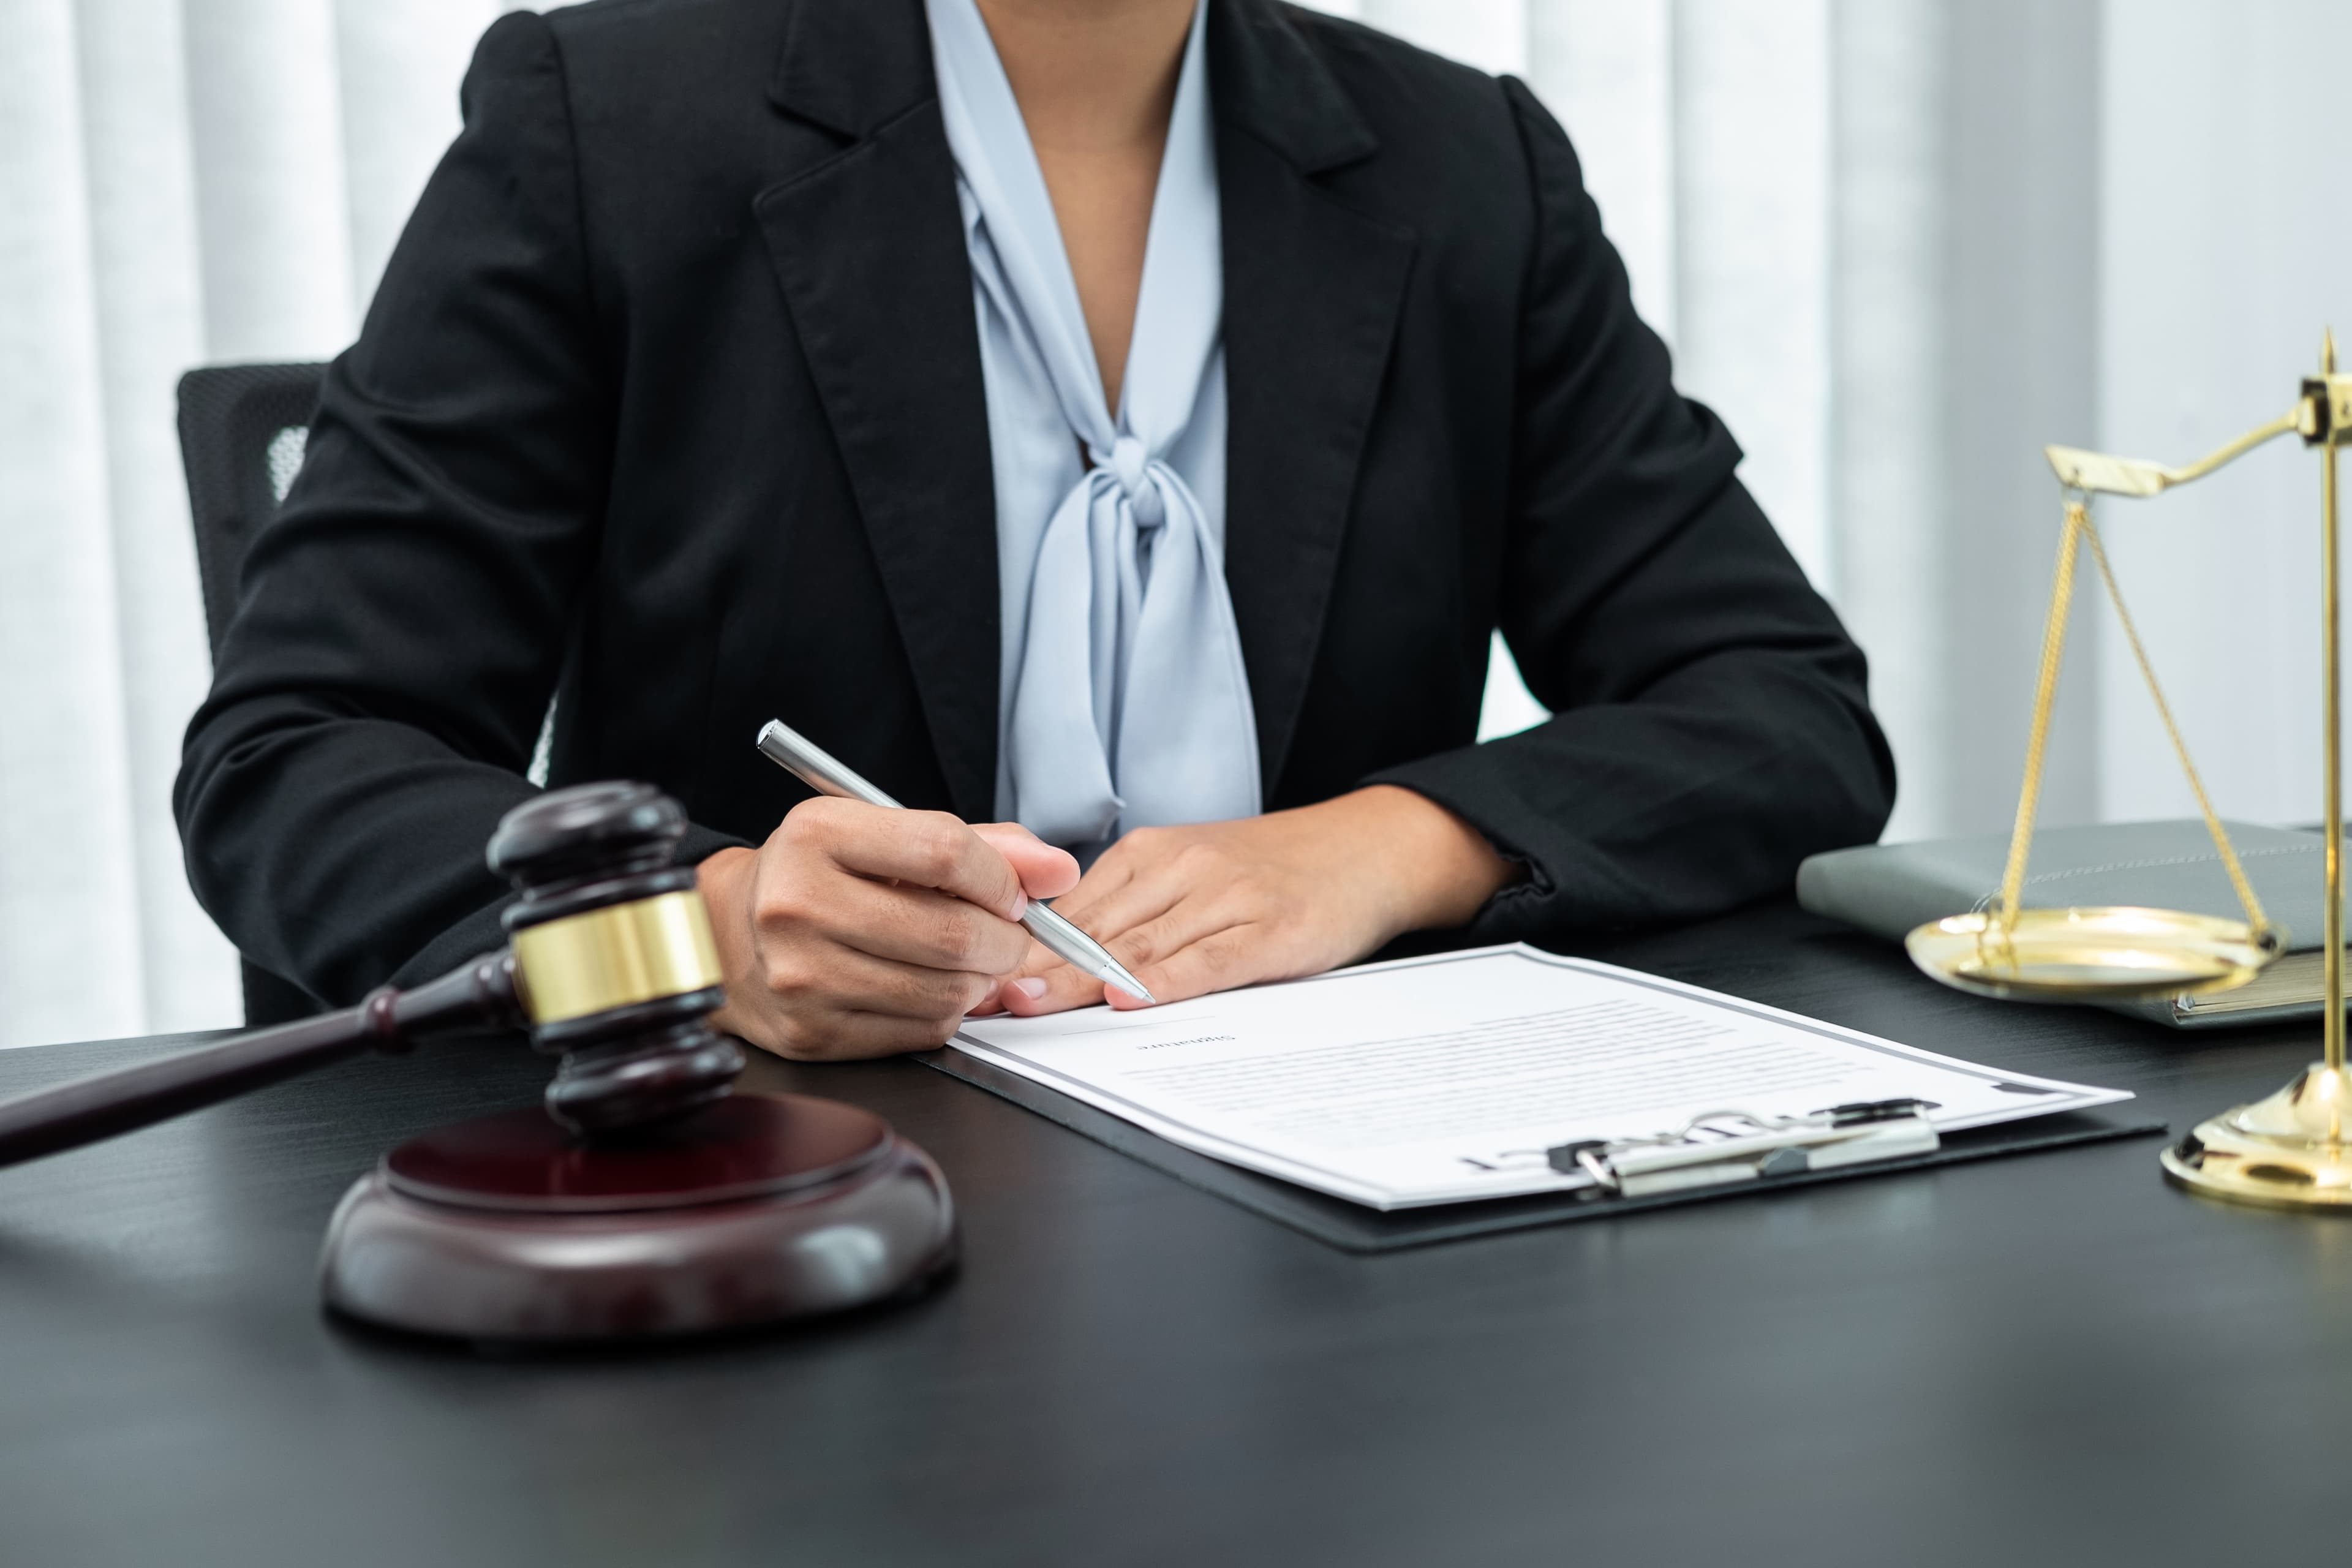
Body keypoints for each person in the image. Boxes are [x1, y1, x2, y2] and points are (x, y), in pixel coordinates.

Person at [176, 0, 1894, 1061]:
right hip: (797, 1212)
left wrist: (1385, 848)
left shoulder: (1462, 169)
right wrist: (700, 930)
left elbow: (1781, 709)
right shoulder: (603, 128)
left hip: (1333, 1213)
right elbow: (296, 760)